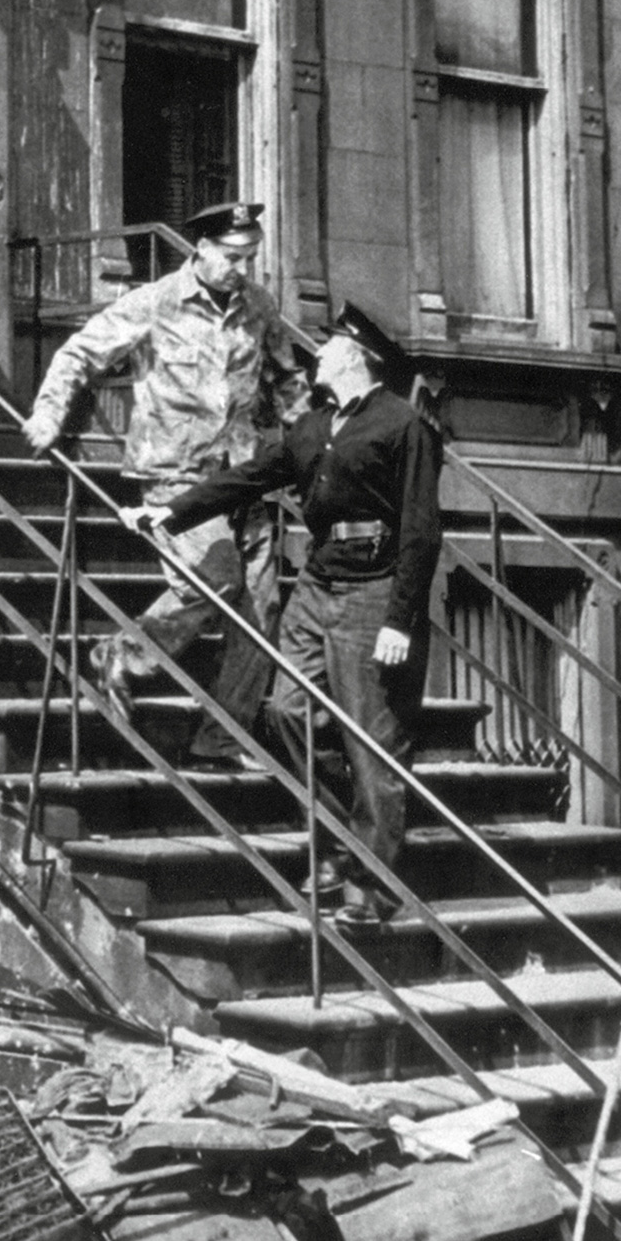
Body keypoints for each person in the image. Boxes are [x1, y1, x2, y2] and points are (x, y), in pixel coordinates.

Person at [151, 302, 444, 921]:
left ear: (358, 358)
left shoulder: (402, 425)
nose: (319, 354)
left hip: (374, 589)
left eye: (331, 346)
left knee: (372, 742)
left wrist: (400, 618)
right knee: (286, 711)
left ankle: (374, 887)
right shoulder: (313, 427)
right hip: (316, 585)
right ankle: (339, 841)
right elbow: (252, 476)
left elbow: (420, 530)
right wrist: (172, 513)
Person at [21, 202, 305, 750]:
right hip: (177, 473)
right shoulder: (157, 303)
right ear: (199, 249)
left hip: (244, 475)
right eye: (232, 257)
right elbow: (80, 352)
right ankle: (119, 655)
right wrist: (50, 413)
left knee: (263, 607)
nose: (241, 269)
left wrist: (318, 439)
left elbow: (287, 380)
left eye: (250, 258)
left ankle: (223, 739)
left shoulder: (259, 307)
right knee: (214, 580)